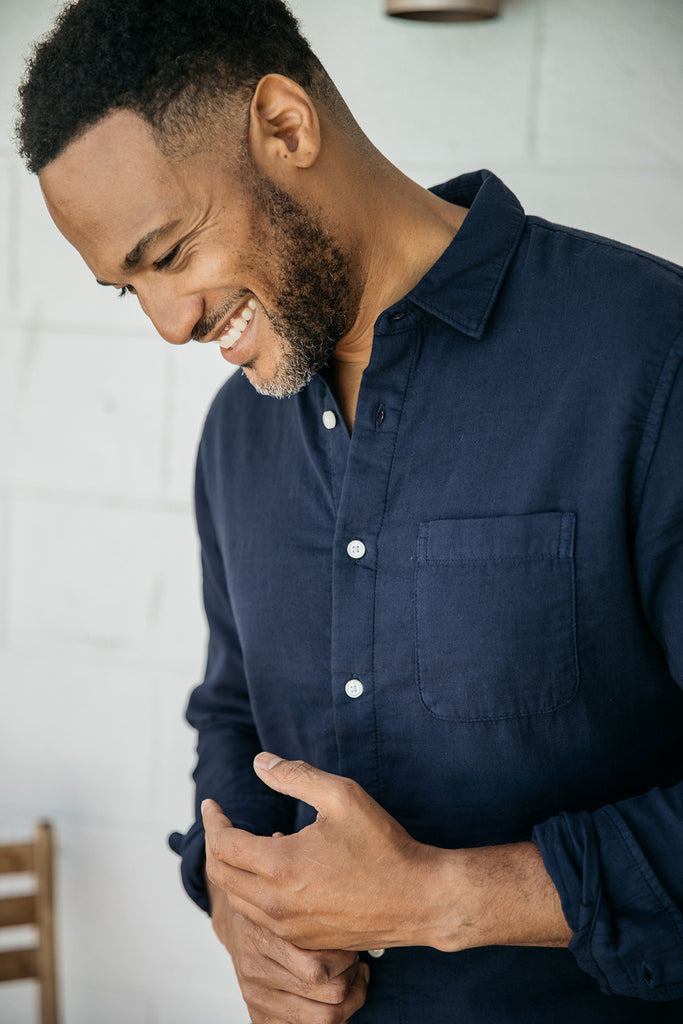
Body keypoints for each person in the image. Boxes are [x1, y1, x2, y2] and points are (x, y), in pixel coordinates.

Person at [16, 0, 683, 1021]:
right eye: (126, 290)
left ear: (285, 126)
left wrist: (447, 898)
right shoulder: (233, 440)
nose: (169, 323)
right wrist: (234, 908)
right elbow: (232, 712)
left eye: (169, 253)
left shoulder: (649, 358)